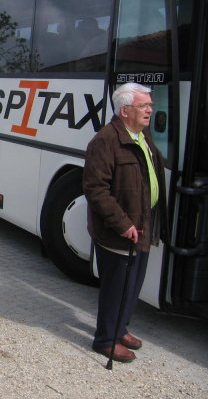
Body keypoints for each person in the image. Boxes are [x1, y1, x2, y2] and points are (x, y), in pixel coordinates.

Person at [83, 82, 167, 364]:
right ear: (125, 110)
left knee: (133, 284)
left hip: (142, 225)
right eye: (144, 106)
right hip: (121, 231)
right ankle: (106, 339)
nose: (150, 110)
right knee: (116, 287)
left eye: (150, 106)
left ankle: (120, 329)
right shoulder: (105, 141)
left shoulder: (143, 137)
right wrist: (122, 224)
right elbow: (96, 189)